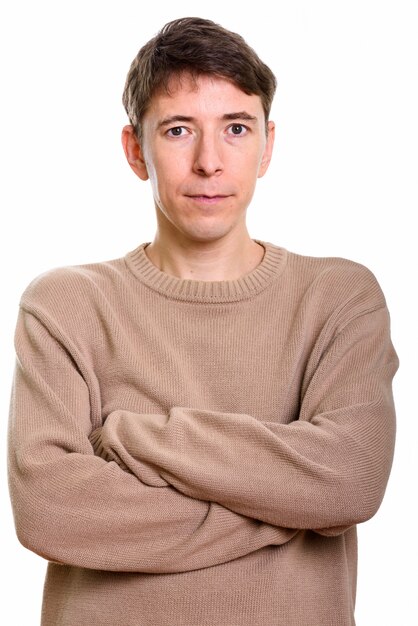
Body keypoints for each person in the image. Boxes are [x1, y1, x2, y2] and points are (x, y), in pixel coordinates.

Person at [8, 16, 398, 626]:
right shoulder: (66, 305)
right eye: (179, 130)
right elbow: (49, 509)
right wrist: (284, 508)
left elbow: (351, 480)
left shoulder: (338, 297)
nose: (209, 161)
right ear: (136, 149)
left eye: (236, 128)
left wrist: (132, 437)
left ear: (268, 145)